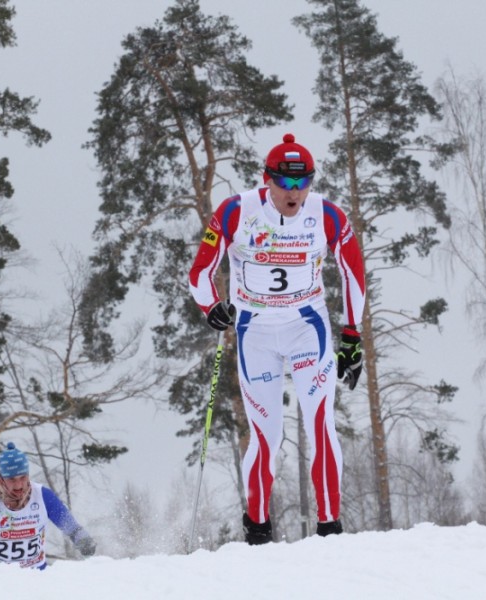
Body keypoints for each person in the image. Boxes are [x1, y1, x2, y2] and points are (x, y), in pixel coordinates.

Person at [189, 133, 366, 544]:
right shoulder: (236, 212)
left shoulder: (327, 216)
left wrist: (352, 334)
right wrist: (210, 306)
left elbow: (353, 271)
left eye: (302, 182)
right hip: (256, 332)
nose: (294, 192)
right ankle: (257, 528)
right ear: (266, 179)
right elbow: (200, 271)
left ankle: (329, 527)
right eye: (284, 183)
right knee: (267, 434)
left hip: (308, 326)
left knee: (320, 422)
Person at [0, 442, 97, 569]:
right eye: (11, 479)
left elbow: (71, 527)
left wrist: (83, 540)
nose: (18, 485)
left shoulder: (43, 496)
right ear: (1, 479)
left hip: (36, 577)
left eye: (22, 477)